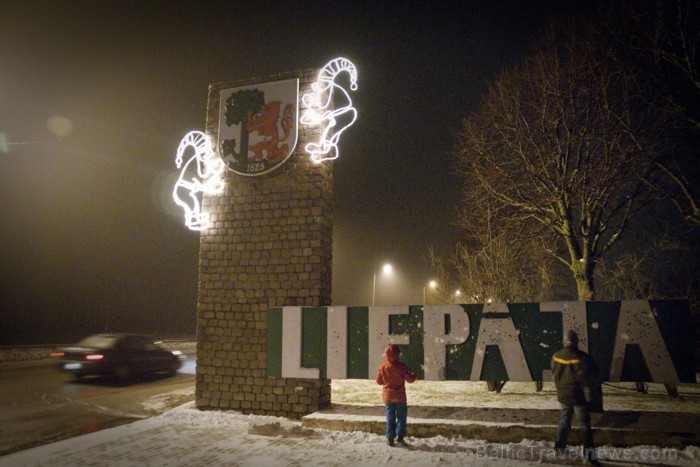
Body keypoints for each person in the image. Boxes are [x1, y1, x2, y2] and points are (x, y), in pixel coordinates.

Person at [551, 330, 601, 465]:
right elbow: (595, 373)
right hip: (579, 396)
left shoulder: (556, 356)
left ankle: (559, 448)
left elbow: (554, 373)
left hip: (563, 394)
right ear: (576, 341)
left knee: (564, 420)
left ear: (564, 341)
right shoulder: (582, 357)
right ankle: (589, 457)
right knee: (584, 425)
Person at [376, 344, 416, 447]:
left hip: (388, 397)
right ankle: (400, 438)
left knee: (390, 417)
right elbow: (410, 379)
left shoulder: (382, 367)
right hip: (400, 397)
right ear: (398, 355)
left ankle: (390, 438)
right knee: (402, 417)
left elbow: (379, 381)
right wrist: (413, 374)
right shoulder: (402, 367)